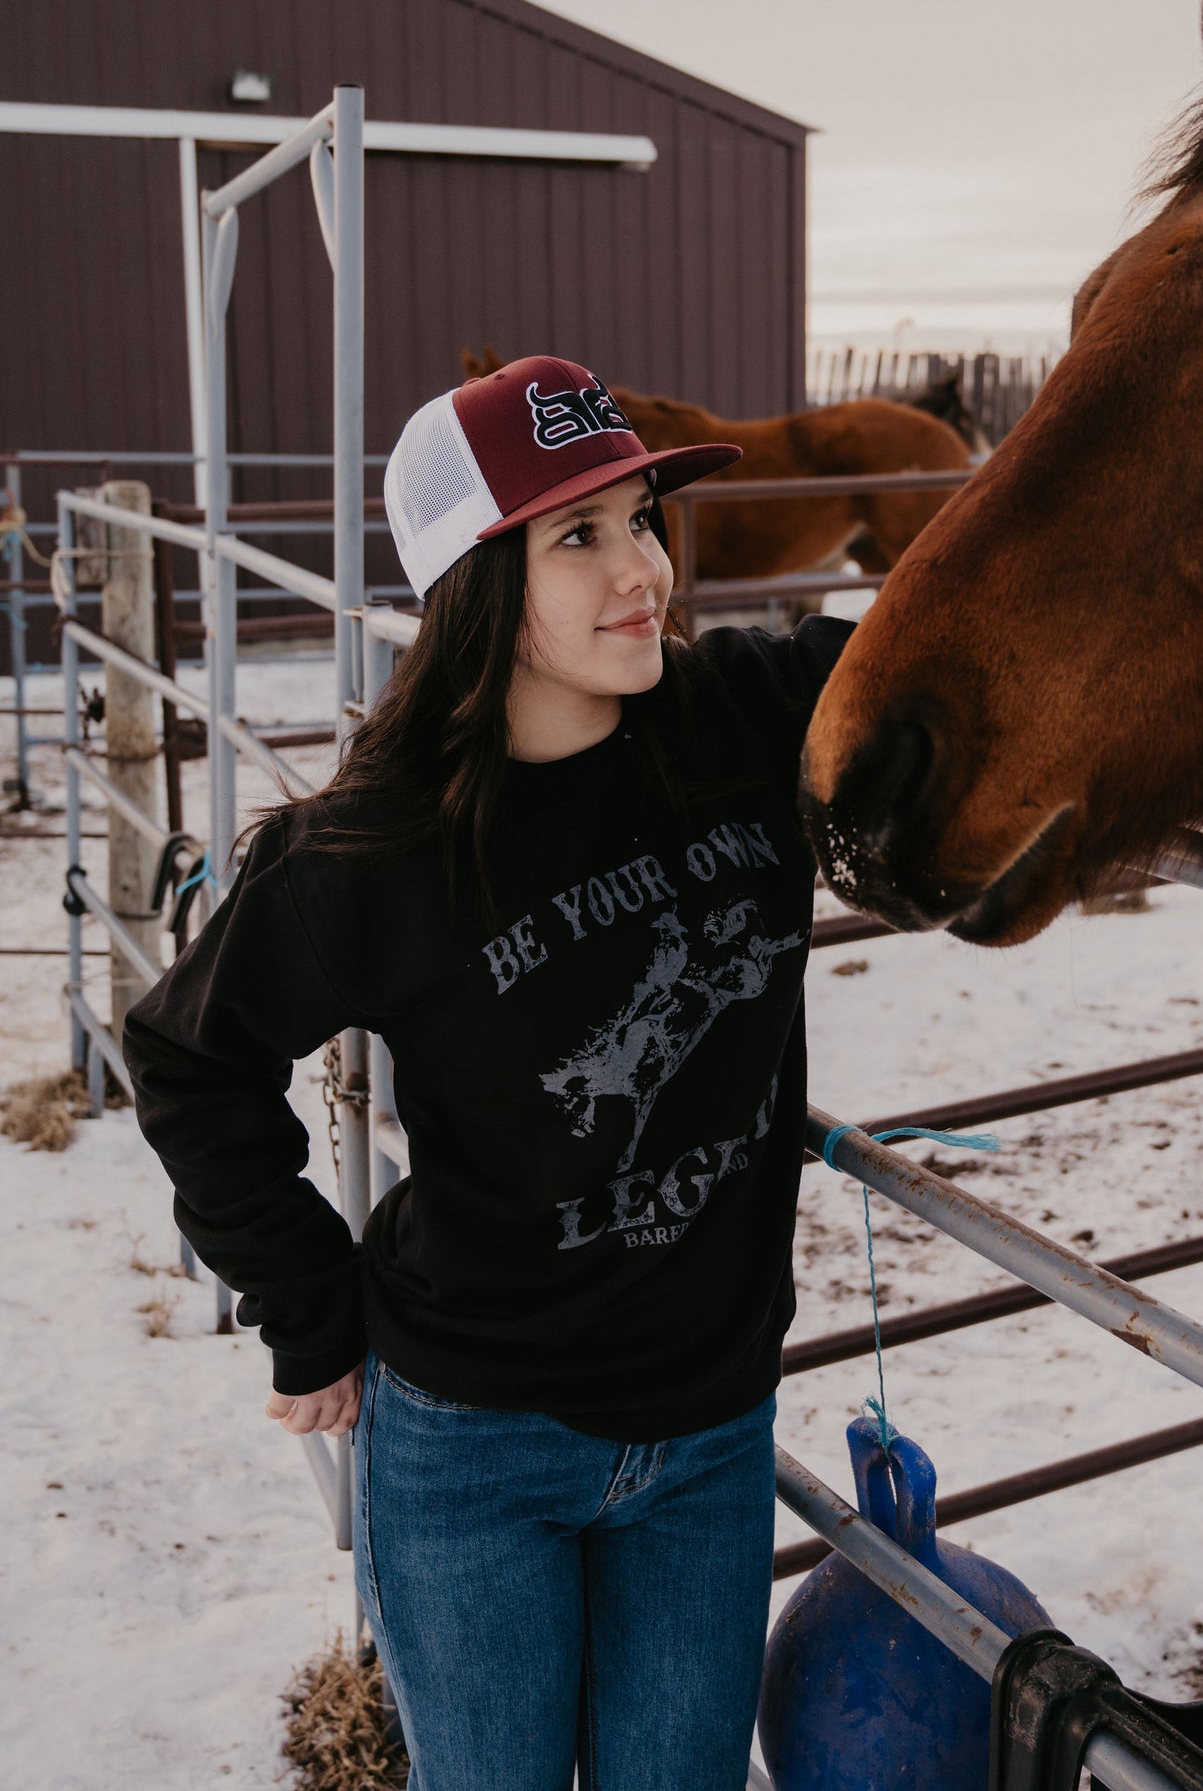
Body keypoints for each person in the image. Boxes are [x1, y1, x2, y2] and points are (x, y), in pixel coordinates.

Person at [124, 354, 855, 1791]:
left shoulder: (746, 719)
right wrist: (306, 1310)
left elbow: (972, 655)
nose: (640, 569)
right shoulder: (374, 854)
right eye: (575, 536)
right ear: (470, 581)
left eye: (642, 518)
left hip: (709, 1434)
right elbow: (184, 1057)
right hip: (474, 1442)